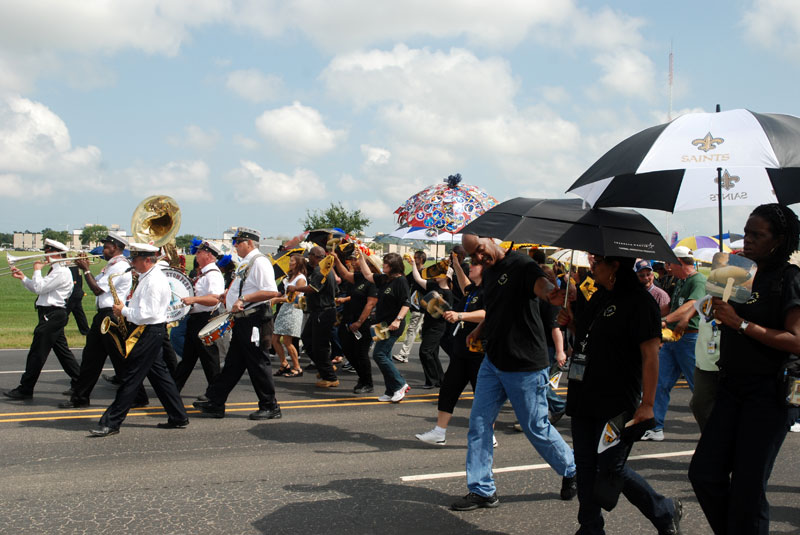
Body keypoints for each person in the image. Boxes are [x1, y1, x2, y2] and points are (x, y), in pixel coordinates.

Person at [689, 203, 800, 534]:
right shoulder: (738, 270)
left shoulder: (790, 279)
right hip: (730, 386)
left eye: (757, 235)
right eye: (747, 232)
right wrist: (710, 303)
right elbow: (711, 311)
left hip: (769, 392)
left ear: (778, 240)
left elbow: (796, 340)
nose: (747, 239)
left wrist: (740, 325)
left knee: (748, 489)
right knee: (704, 474)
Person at [558, 253, 682, 534]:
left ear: (614, 266)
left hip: (616, 400)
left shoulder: (640, 302)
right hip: (584, 393)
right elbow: (588, 337)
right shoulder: (598, 296)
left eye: (598, 262)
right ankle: (590, 527)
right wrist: (572, 322)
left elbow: (651, 355)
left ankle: (663, 511)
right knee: (586, 466)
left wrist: (648, 404)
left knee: (610, 467)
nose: (593, 267)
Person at [451, 234, 577, 511]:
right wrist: (479, 329)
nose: (478, 259)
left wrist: (553, 293)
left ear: (493, 239)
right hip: (493, 362)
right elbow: (495, 310)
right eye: (472, 256)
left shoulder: (522, 265)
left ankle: (571, 469)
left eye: (480, 251)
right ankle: (483, 490)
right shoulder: (491, 272)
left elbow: (543, 287)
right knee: (479, 424)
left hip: (524, 366)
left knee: (536, 427)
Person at [90, 243, 189, 436]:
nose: (132, 263)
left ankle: (111, 422)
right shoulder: (147, 277)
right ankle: (178, 416)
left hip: (149, 331)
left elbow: (147, 313)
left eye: (134, 259)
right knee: (160, 376)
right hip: (150, 331)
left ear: (147, 260)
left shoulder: (153, 282)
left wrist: (123, 311)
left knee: (130, 377)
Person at [194, 227, 282, 420]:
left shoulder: (260, 262)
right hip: (244, 321)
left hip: (255, 320)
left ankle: (270, 406)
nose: (235, 245)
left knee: (259, 363)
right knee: (233, 365)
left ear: (250, 243)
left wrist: (243, 298)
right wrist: (229, 294)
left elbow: (270, 291)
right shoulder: (247, 262)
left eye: (238, 242)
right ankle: (215, 402)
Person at [59, 232, 149, 409]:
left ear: (115, 248)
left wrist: (85, 269)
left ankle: (138, 396)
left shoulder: (119, 266)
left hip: (111, 315)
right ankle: (80, 397)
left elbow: (98, 289)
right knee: (91, 358)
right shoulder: (111, 265)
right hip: (103, 315)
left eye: (106, 246)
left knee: (119, 358)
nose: (103, 250)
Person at [416, 254, 486, 445]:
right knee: (448, 390)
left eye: (475, 264)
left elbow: (486, 314)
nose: (470, 266)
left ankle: (489, 434)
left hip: (479, 353)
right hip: (461, 350)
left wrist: (460, 315)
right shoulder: (472, 290)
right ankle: (439, 432)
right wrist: (455, 263)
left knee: (483, 396)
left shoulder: (489, 291)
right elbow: (464, 285)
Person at [642, 246, 706, 441]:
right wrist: (652, 316)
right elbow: (671, 306)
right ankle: (656, 427)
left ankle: (711, 428)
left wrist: (666, 320)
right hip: (673, 338)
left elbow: (691, 305)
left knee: (699, 386)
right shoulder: (679, 281)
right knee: (660, 381)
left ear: (680, 262)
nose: (667, 267)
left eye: (670, 263)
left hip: (690, 338)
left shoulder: (698, 280)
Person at [4, 239, 80, 400]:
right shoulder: (54, 270)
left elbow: (39, 287)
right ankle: (80, 382)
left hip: (52, 314)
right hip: (51, 314)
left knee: (37, 352)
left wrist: (37, 270)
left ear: (57, 253)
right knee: (63, 352)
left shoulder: (61, 271)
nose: (45, 255)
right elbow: (40, 290)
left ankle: (26, 388)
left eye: (48, 251)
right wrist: (23, 278)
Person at [356, 252, 411, 402]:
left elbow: (407, 303)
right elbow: (368, 275)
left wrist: (398, 320)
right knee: (385, 356)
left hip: (393, 325)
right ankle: (390, 390)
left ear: (393, 266)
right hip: (381, 325)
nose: (382, 265)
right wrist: (361, 258)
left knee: (378, 355)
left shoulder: (401, 281)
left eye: (385, 264)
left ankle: (400, 384)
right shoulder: (384, 279)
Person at [173, 240, 226, 395]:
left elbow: (215, 299)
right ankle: (173, 391)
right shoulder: (204, 273)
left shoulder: (213, 275)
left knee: (210, 360)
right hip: (197, 319)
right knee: (188, 360)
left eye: (200, 252)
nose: (197, 255)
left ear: (209, 255)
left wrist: (193, 300)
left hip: (205, 319)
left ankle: (215, 396)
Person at [289, 246, 339, 388]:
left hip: (323, 312)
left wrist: (296, 288)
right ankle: (326, 367)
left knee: (319, 346)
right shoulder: (325, 269)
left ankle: (330, 377)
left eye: (309, 255)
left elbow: (313, 288)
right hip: (319, 311)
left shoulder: (320, 270)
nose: (307, 258)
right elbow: (335, 289)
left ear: (315, 256)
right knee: (307, 339)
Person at [334, 252, 379, 393]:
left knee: (361, 353)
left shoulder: (374, 282)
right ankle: (362, 377)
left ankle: (367, 382)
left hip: (362, 323)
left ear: (369, 265)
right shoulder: (359, 277)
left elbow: (370, 304)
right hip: (348, 320)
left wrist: (359, 322)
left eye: (357, 260)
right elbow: (345, 274)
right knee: (347, 349)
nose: (354, 261)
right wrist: (336, 259)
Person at [409, 255, 453, 388]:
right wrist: (412, 263)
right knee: (432, 353)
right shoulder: (432, 285)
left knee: (425, 352)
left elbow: (444, 313)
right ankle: (441, 380)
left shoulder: (448, 294)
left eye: (439, 273)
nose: (435, 275)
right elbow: (417, 278)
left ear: (446, 276)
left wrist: (432, 304)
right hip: (427, 324)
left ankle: (431, 381)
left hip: (438, 327)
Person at [271, 253, 307, 378]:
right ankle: (284, 364)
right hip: (284, 309)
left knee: (287, 341)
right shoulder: (289, 277)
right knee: (275, 339)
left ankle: (297, 367)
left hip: (293, 310)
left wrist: (277, 300)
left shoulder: (301, 279)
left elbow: (293, 298)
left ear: (298, 263)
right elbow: (283, 294)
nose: (290, 263)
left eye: (292, 261)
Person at [393, 250, 426, 363]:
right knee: (420, 331)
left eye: (415, 257)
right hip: (414, 304)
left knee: (412, 329)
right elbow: (403, 280)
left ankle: (404, 354)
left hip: (420, 306)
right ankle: (426, 351)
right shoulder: (414, 272)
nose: (413, 259)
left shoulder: (425, 272)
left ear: (421, 259)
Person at [66, 264, 89, 336]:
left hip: (73, 294)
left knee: (65, 313)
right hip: (77, 293)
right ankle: (85, 331)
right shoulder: (75, 266)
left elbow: (73, 282)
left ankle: (57, 328)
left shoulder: (71, 267)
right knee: (79, 314)